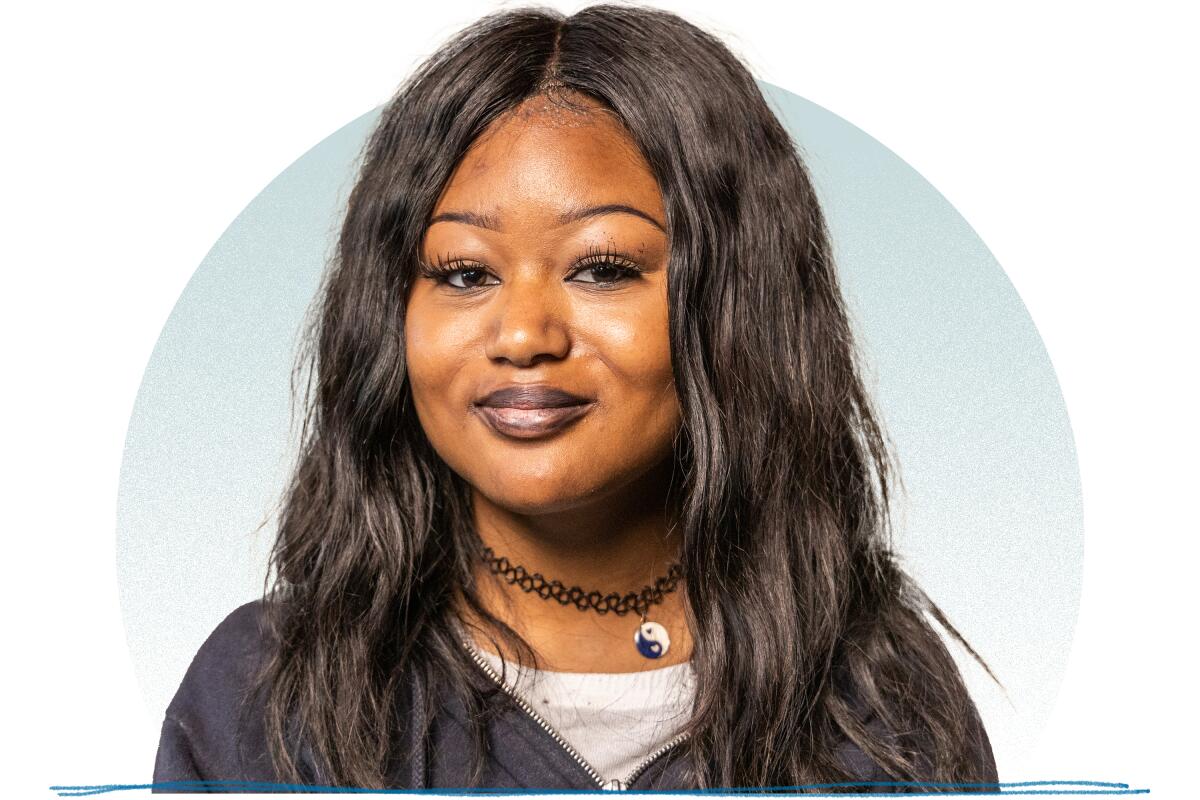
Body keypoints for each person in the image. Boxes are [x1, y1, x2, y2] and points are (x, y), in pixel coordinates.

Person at [153, 3, 999, 792]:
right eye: (463, 273)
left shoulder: (887, 702)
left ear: (737, 305)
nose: (523, 335)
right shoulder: (260, 702)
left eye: (603, 269)